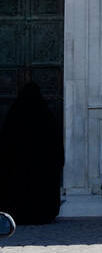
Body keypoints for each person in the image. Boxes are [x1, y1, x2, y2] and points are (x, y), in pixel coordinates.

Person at [0, 81, 64, 224]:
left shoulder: (14, 114)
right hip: (42, 165)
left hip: (17, 165)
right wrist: (59, 160)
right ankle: (42, 214)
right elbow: (56, 141)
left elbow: (6, 142)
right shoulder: (46, 115)